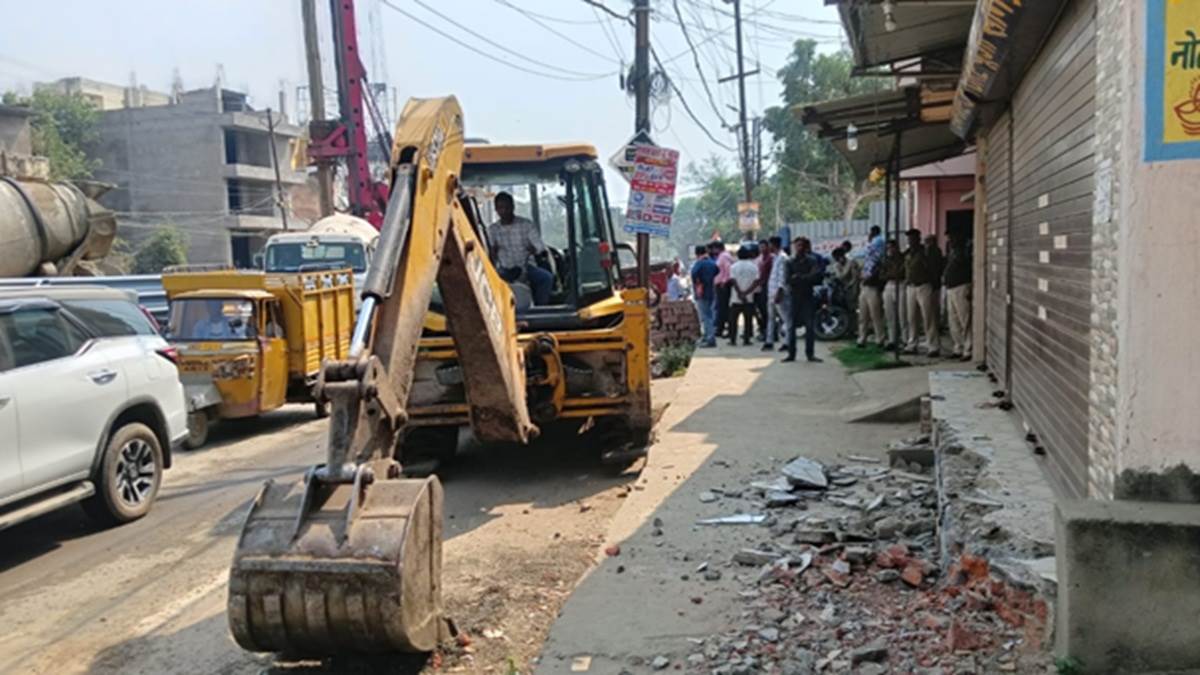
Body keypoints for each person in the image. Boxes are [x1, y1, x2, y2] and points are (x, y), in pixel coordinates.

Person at [489, 191, 553, 306]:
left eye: (507, 207)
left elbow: (539, 247)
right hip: (504, 269)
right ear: (496, 209)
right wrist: (493, 252)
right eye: (500, 208)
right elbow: (490, 252)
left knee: (546, 278)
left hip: (526, 267)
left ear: (513, 207)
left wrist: (533, 249)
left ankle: (540, 309)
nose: (504, 211)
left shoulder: (526, 225)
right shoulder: (493, 230)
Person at [903, 229, 943, 357]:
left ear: (918, 238)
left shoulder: (925, 251)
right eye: (909, 238)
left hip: (924, 285)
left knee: (928, 317)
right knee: (912, 317)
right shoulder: (909, 252)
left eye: (912, 238)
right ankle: (912, 343)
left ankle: (933, 346)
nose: (910, 240)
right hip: (911, 286)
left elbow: (933, 267)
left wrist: (932, 282)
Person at [784, 237, 824, 363]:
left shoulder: (812, 260)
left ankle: (810, 354)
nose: (799, 248)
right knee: (791, 327)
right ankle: (791, 354)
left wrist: (799, 277)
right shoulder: (789, 262)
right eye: (797, 245)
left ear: (806, 247)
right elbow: (788, 280)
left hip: (807, 296)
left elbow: (817, 277)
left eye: (801, 245)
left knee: (809, 326)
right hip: (794, 296)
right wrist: (805, 278)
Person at [943, 231, 973, 361]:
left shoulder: (964, 252)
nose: (950, 241)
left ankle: (968, 349)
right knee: (953, 320)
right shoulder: (952, 252)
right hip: (951, 288)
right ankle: (958, 346)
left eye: (952, 238)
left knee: (964, 319)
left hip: (961, 287)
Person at [857, 226, 887, 348]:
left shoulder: (879, 243)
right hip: (864, 285)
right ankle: (862, 338)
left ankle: (880, 338)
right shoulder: (868, 254)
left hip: (873, 286)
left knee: (876, 314)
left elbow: (877, 267)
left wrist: (867, 277)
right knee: (863, 315)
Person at [763, 236, 790, 352]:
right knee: (771, 318)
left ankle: (787, 342)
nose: (768, 247)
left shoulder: (783, 258)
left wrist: (779, 292)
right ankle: (769, 341)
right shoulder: (775, 257)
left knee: (786, 319)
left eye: (769, 245)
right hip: (771, 293)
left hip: (779, 293)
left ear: (773, 245)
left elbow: (782, 277)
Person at [728, 247, 759, 346]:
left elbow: (733, 281)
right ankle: (746, 339)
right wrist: (746, 293)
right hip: (749, 297)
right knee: (748, 320)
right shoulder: (753, 267)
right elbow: (756, 281)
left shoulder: (734, 266)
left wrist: (740, 293)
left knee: (733, 320)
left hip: (736, 298)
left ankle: (733, 339)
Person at [691, 244, 719, 347]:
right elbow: (717, 270)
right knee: (710, 314)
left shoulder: (699, 263)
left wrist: (699, 281)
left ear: (697, 253)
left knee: (705, 316)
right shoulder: (711, 262)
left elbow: (694, 274)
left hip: (701, 291)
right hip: (711, 290)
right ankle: (707, 335)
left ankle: (710, 338)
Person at [830, 246, 862, 336]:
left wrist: (851, 287)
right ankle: (848, 329)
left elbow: (855, 277)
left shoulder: (851, 263)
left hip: (852, 288)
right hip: (842, 290)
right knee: (846, 310)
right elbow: (839, 277)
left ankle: (855, 330)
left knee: (854, 310)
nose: (836, 260)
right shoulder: (836, 265)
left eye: (837, 258)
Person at [880, 239, 905, 349]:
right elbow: (882, 275)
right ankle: (892, 339)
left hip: (901, 284)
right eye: (888, 248)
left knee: (903, 315)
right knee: (890, 315)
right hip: (889, 285)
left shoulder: (902, 258)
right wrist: (891, 274)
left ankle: (905, 340)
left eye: (892, 247)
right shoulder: (886, 260)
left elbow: (901, 273)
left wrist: (891, 274)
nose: (890, 250)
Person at [712, 241, 734, 338]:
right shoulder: (724, 256)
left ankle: (721, 329)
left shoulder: (723, 257)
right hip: (722, 284)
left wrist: (724, 281)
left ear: (717, 248)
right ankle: (724, 328)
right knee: (723, 308)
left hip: (723, 285)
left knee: (723, 308)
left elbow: (728, 270)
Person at [754, 238, 773, 340]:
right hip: (761, 287)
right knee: (761, 310)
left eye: (763, 246)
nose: (761, 248)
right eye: (760, 247)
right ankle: (764, 331)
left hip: (768, 286)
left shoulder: (771, 258)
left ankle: (769, 332)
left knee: (767, 311)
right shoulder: (760, 258)